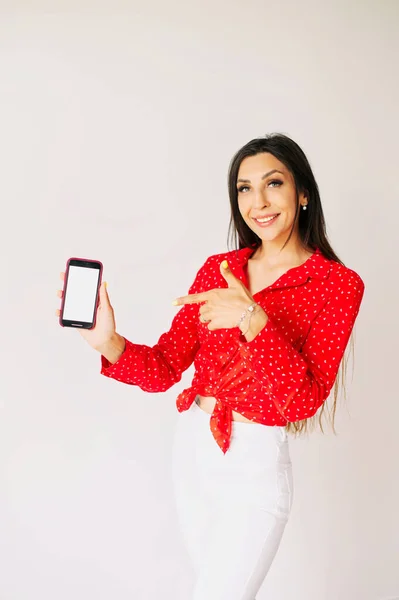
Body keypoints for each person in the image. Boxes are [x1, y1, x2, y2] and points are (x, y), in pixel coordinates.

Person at [55, 133, 365, 600]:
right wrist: (108, 341)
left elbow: (302, 401)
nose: (257, 202)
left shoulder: (337, 285)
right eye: (244, 188)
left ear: (303, 193)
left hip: (255, 464)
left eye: (273, 183)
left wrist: (253, 318)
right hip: (193, 450)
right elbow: (162, 368)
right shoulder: (219, 268)